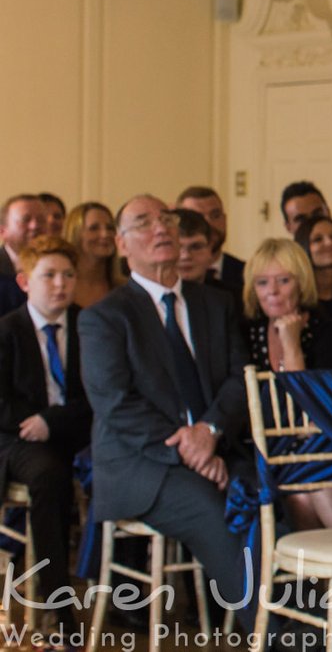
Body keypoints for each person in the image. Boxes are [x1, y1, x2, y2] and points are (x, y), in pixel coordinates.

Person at [77, 195, 253, 611]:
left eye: (167, 219)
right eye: (143, 222)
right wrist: (191, 450)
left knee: (266, 498)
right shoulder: (104, 317)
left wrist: (209, 432)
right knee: (217, 512)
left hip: (217, 447)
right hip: (143, 465)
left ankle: (319, 624)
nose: (160, 228)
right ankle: (292, 636)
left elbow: (240, 379)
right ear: (122, 244)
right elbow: (116, 404)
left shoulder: (215, 303)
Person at [0, 236, 94, 637]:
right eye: (49, 275)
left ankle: (121, 586)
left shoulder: (88, 325)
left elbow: (98, 394)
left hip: (76, 430)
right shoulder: (7, 330)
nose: (61, 284)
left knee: (115, 465)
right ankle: (58, 605)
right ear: (25, 282)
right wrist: (35, 422)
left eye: (68, 275)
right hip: (17, 436)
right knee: (48, 476)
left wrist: (53, 420)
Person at [243, 237, 332, 532]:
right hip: (259, 452)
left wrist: (291, 345)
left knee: (306, 488)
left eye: (283, 280)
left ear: (301, 282)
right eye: (262, 283)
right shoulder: (245, 335)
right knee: (305, 485)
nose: (273, 292)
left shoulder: (331, 335)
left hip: (322, 448)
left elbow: (311, 416)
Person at [175, 185, 243, 299]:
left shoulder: (247, 274)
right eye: (196, 217)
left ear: (225, 219)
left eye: (215, 215)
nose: (209, 224)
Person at [64, 201, 124, 308]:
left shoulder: (124, 289)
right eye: (94, 228)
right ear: (76, 234)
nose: (105, 234)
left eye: (110, 228)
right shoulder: (60, 286)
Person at [0, 196, 47, 315]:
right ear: (3, 231)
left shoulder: (58, 266)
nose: (35, 226)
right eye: (26, 220)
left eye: (41, 220)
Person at [173, 208, 218, 288]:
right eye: (178, 247)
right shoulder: (145, 299)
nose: (186, 256)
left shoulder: (232, 297)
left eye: (196, 247)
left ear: (210, 249)